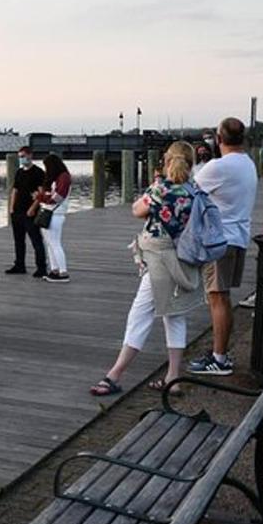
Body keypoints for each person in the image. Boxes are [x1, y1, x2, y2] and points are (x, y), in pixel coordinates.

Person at [91, 142, 202, 397]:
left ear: (168, 160)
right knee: (174, 316)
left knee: (139, 314)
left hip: (160, 260)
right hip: (184, 259)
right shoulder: (194, 189)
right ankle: (173, 377)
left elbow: (137, 210)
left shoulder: (161, 188)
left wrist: (155, 186)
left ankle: (115, 374)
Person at [189, 118, 258, 377]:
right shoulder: (248, 164)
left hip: (219, 241)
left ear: (218, 139)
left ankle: (219, 359)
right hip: (238, 236)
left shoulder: (219, 167)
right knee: (223, 297)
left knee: (217, 298)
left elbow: (189, 190)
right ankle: (220, 353)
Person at [6, 145, 48, 277]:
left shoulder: (38, 172)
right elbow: (15, 190)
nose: (22, 159)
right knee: (18, 240)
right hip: (17, 210)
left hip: (30, 211)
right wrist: (11, 207)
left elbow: (41, 192)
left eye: (23, 156)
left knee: (36, 240)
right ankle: (19, 265)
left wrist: (33, 208)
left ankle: (41, 267)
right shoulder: (19, 172)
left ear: (30, 155)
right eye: (20, 157)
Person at [35, 153, 72, 282]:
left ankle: (63, 272)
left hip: (55, 214)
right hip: (49, 213)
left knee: (55, 243)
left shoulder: (64, 178)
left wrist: (41, 197)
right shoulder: (57, 178)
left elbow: (57, 198)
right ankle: (54, 270)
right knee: (50, 243)